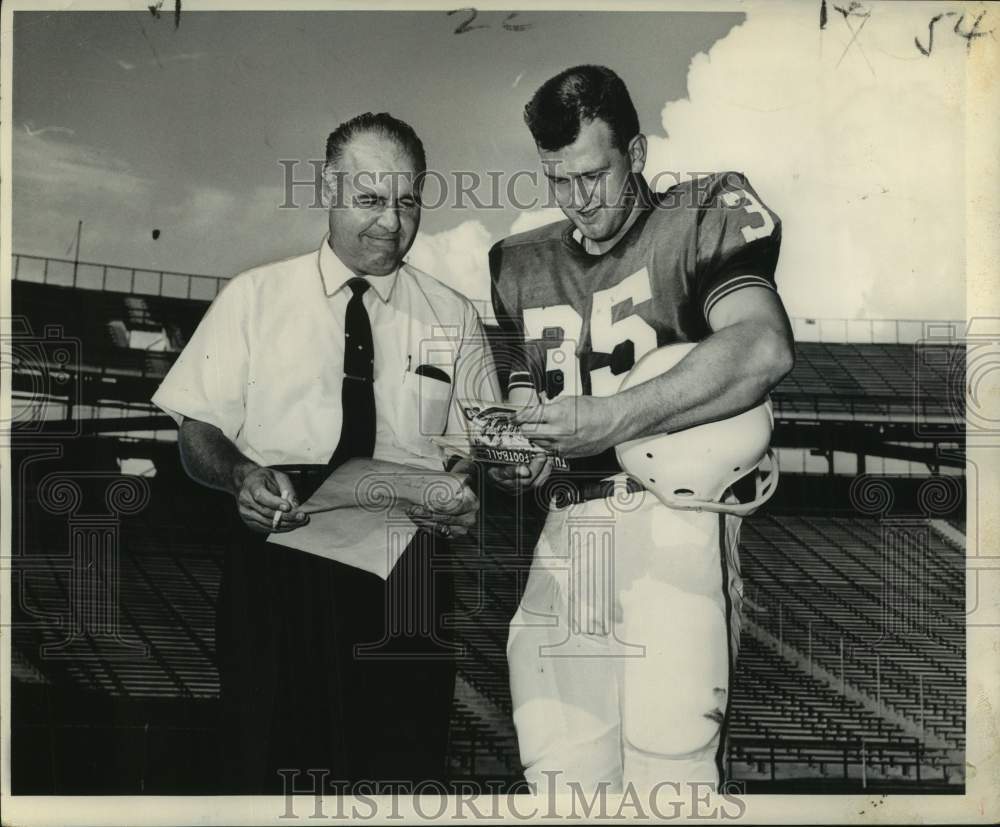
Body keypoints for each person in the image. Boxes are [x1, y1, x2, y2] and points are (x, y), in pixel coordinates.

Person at [152, 112, 497, 793]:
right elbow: (197, 435)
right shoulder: (255, 297)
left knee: (397, 779)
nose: (391, 224)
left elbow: (476, 449)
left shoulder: (454, 316)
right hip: (278, 554)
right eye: (370, 200)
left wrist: (463, 483)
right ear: (326, 189)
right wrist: (243, 475)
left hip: (404, 564)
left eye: (406, 202)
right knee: (270, 772)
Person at [488, 65, 794, 792]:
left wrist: (609, 417)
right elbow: (528, 397)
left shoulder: (702, 215)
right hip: (565, 534)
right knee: (559, 776)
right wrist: (520, 453)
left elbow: (762, 345)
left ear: (638, 153)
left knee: (670, 773)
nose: (578, 200)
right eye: (559, 181)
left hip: (672, 523)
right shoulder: (518, 265)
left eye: (594, 175)